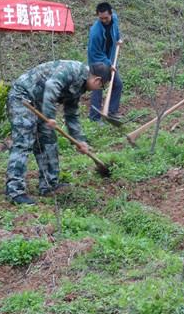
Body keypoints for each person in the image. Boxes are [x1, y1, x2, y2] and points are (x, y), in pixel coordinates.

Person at [6, 60, 111, 205]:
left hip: (40, 102)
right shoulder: (73, 70)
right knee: (24, 140)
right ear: (97, 80)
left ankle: (49, 185)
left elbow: (71, 114)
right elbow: (52, 85)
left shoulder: (81, 85)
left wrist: (80, 140)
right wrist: (49, 115)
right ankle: (15, 191)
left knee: (48, 140)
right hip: (23, 97)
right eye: (101, 86)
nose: (99, 89)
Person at [87, 2, 123, 126]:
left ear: (111, 14)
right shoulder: (95, 32)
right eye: (101, 18)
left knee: (117, 84)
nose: (104, 20)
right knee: (97, 86)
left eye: (106, 18)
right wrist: (109, 64)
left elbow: (116, 30)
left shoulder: (115, 19)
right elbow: (96, 53)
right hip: (97, 61)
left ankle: (111, 112)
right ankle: (94, 117)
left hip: (110, 59)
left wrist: (118, 38)